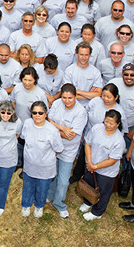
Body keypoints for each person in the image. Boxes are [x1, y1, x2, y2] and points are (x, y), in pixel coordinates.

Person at [45, 84, 87, 218]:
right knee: (52, 174)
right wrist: (62, 127)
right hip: (53, 147)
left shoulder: (80, 112)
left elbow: (71, 136)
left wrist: (55, 129)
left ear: (75, 97)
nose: (67, 101)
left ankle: (59, 203)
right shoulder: (57, 104)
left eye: (70, 98)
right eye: (64, 97)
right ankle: (50, 195)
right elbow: (48, 121)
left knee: (63, 180)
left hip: (68, 151)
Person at [79, 110, 126, 220]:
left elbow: (112, 160)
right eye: (106, 121)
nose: (108, 125)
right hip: (90, 165)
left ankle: (97, 212)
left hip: (106, 171)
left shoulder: (119, 140)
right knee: (89, 185)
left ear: (118, 124)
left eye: (111, 123)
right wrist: (89, 162)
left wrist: (95, 167)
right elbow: (88, 143)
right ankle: (88, 202)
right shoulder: (97, 128)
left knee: (103, 192)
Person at [20, 101, 63, 218]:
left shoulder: (52, 130)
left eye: (40, 113)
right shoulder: (27, 124)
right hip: (29, 165)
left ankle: (39, 206)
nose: (37, 115)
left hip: (45, 168)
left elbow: (58, 148)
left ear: (46, 114)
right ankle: (26, 205)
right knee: (27, 187)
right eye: (34, 112)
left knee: (42, 189)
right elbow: (23, 138)